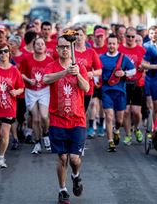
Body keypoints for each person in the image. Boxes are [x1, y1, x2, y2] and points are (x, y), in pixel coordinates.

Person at [43, 35, 89, 204]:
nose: (64, 49)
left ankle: (75, 175)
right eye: (61, 47)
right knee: (62, 157)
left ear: (72, 50)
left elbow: (86, 87)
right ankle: (62, 190)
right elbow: (45, 79)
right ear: (57, 49)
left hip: (77, 119)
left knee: (75, 159)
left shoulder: (80, 67)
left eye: (67, 47)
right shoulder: (51, 66)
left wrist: (77, 75)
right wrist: (64, 72)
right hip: (57, 119)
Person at [100, 34, 135, 152]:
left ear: (117, 45)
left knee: (119, 120)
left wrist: (124, 74)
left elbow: (133, 70)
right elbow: (97, 71)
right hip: (106, 91)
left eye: (114, 43)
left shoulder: (123, 58)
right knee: (109, 117)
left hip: (120, 92)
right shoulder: (101, 58)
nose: (111, 46)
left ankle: (116, 130)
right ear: (107, 44)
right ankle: (110, 142)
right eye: (109, 43)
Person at [21, 37, 53, 154]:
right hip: (31, 91)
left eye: (42, 44)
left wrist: (48, 80)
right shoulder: (27, 59)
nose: (40, 46)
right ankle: (37, 143)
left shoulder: (50, 60)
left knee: (44, 116)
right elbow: (21, 74)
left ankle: (46, 134)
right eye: (37, 44)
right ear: (33, 46)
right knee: (36, 118)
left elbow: (53, 75)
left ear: (45, 47)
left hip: (44, 90)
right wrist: (28, 80)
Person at [118, 27, 146, 145]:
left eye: (132, 36)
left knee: (136, 112)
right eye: (128, 36)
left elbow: (147, 65)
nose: (130, 39)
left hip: (137, 83)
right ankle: (128, 134)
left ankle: (137, 128)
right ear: (125, 37)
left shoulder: (141, 50)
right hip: (123, 83)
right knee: (125, 111)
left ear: (136, 37)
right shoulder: (120, 49)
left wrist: (144, 67)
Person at [74, 27, 102, 137]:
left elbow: (99, 70)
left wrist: (92, 74)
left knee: (83, 112)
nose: (79, 37)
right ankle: (75, 133)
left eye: (81, 35)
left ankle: (81, 133)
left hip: (87, 87)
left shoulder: (91, 52)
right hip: (73, 87)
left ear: (85, 37)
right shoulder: (70, 51)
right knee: (74, 112)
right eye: (77, 35)